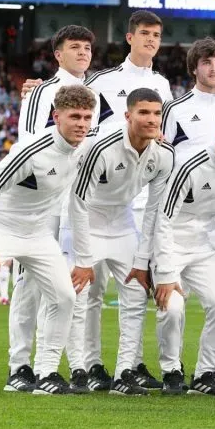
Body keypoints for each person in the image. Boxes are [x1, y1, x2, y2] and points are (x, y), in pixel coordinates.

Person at [0, 85, 96, 396]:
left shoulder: (85, 145)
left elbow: (119, 133)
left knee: (65, 296)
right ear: (56, 116)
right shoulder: (30, 150)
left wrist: (157, 135)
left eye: (87, 117)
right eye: (75, 117)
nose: (82, 124)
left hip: (39, 236)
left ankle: (46, 373)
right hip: (1, 230)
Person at [81, 10, 173, 392]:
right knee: (92, 291)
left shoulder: (163, 85)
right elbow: (80, 117)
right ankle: (90, 366)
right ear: (129, 38)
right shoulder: (103, 81)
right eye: (145, 34)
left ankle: (130, 365)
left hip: (140, 194)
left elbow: (164, 135)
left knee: (137, 287)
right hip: (101, 192)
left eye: (156, 35)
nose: (151, 40)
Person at [8, 25, 99, 394]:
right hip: (41, 202)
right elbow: (28, 144)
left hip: (78, 201)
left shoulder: (96, 94)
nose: (82, 52)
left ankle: (65, 366)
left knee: (70, 289)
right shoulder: (42, 92)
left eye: (87, 47)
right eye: (73, 47)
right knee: (29, 286)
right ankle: (20, 366)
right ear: (57, 54)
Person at [68, 89, 175, 395]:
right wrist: (84, 258)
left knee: (135, 296)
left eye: (156, 113)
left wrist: (142, 261)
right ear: (128, 116)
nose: (151, 119)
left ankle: (124, 372)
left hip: (123, 225)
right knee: (81, 298)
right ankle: (81, 369)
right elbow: (78, 201)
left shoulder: (164, 155)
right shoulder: (103, 148)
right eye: (144, 112)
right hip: (86, 222)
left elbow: (155, 211)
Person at [153, 108, 215, 396]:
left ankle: (204, 374)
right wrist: (166, 271)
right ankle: (171, 370)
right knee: (172, 308)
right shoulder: (189, 165)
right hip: (170, 245)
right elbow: (164, 219)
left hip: (202, 246)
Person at [161, 38, 215, 154]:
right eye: (207, 62)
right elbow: (162, 156)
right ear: (194, 69)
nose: (214, 68)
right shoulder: (174, 109)